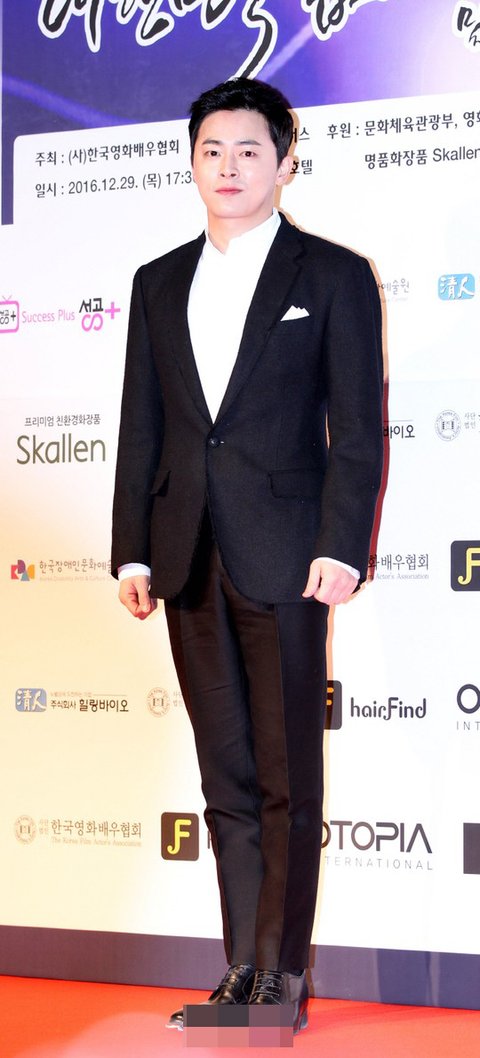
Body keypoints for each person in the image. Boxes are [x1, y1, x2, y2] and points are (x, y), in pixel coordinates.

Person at [111, 76, 383, 1035]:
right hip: (186, 553)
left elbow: (358, 429)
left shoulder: (333, 275)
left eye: (249, 151)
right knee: (223, 774)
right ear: (192, 162)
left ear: (285, 161)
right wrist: (132, 554)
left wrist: (341, 545)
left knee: (285, 777)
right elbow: (141, 427)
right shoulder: (157, 282)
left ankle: (281, 973)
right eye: (211, 151)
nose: (228, 168)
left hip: (289, 557)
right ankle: (241, 971)